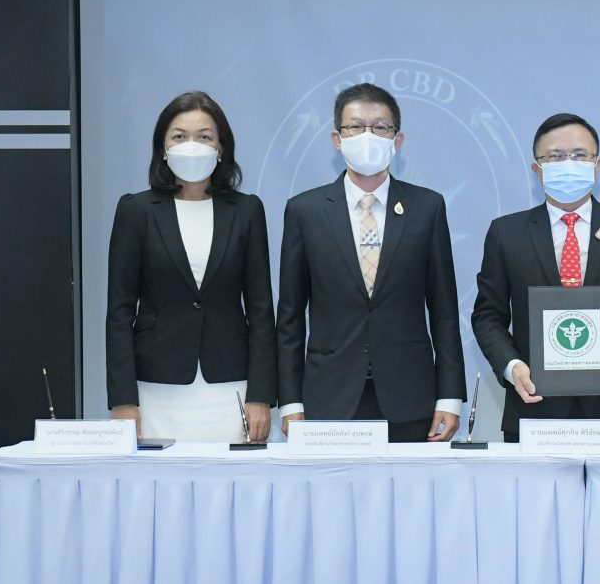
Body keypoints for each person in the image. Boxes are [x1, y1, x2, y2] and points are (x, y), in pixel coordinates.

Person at [275, 82, 466, 442]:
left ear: (397, 139)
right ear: (337, 139)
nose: (368, 136)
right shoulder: (305, 211)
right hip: (328, 396)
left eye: (380, 127)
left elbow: (444, 310)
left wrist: (450, 397)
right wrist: (290, 402)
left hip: (410, 397)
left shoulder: (427, 208)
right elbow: (289, 317)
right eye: (355, 127)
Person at [471, 112, 600, 442]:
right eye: (554, 157)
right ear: (537, 169)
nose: (568, 164)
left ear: (597, 165)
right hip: (533, 406)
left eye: (579, 155)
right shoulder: (506, 233)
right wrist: (512, 367)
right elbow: (487, 316)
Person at [104, 91, 276, 442]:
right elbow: (119, 312)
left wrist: (261, 395)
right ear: (163, 147)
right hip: (155, 388)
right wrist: (123, 400)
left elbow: (261, 310)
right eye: (180, 136)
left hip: (231, 386)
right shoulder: (136, 211)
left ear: (221, 148)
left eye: (204, 137)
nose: (192, 145)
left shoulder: (247, 211)